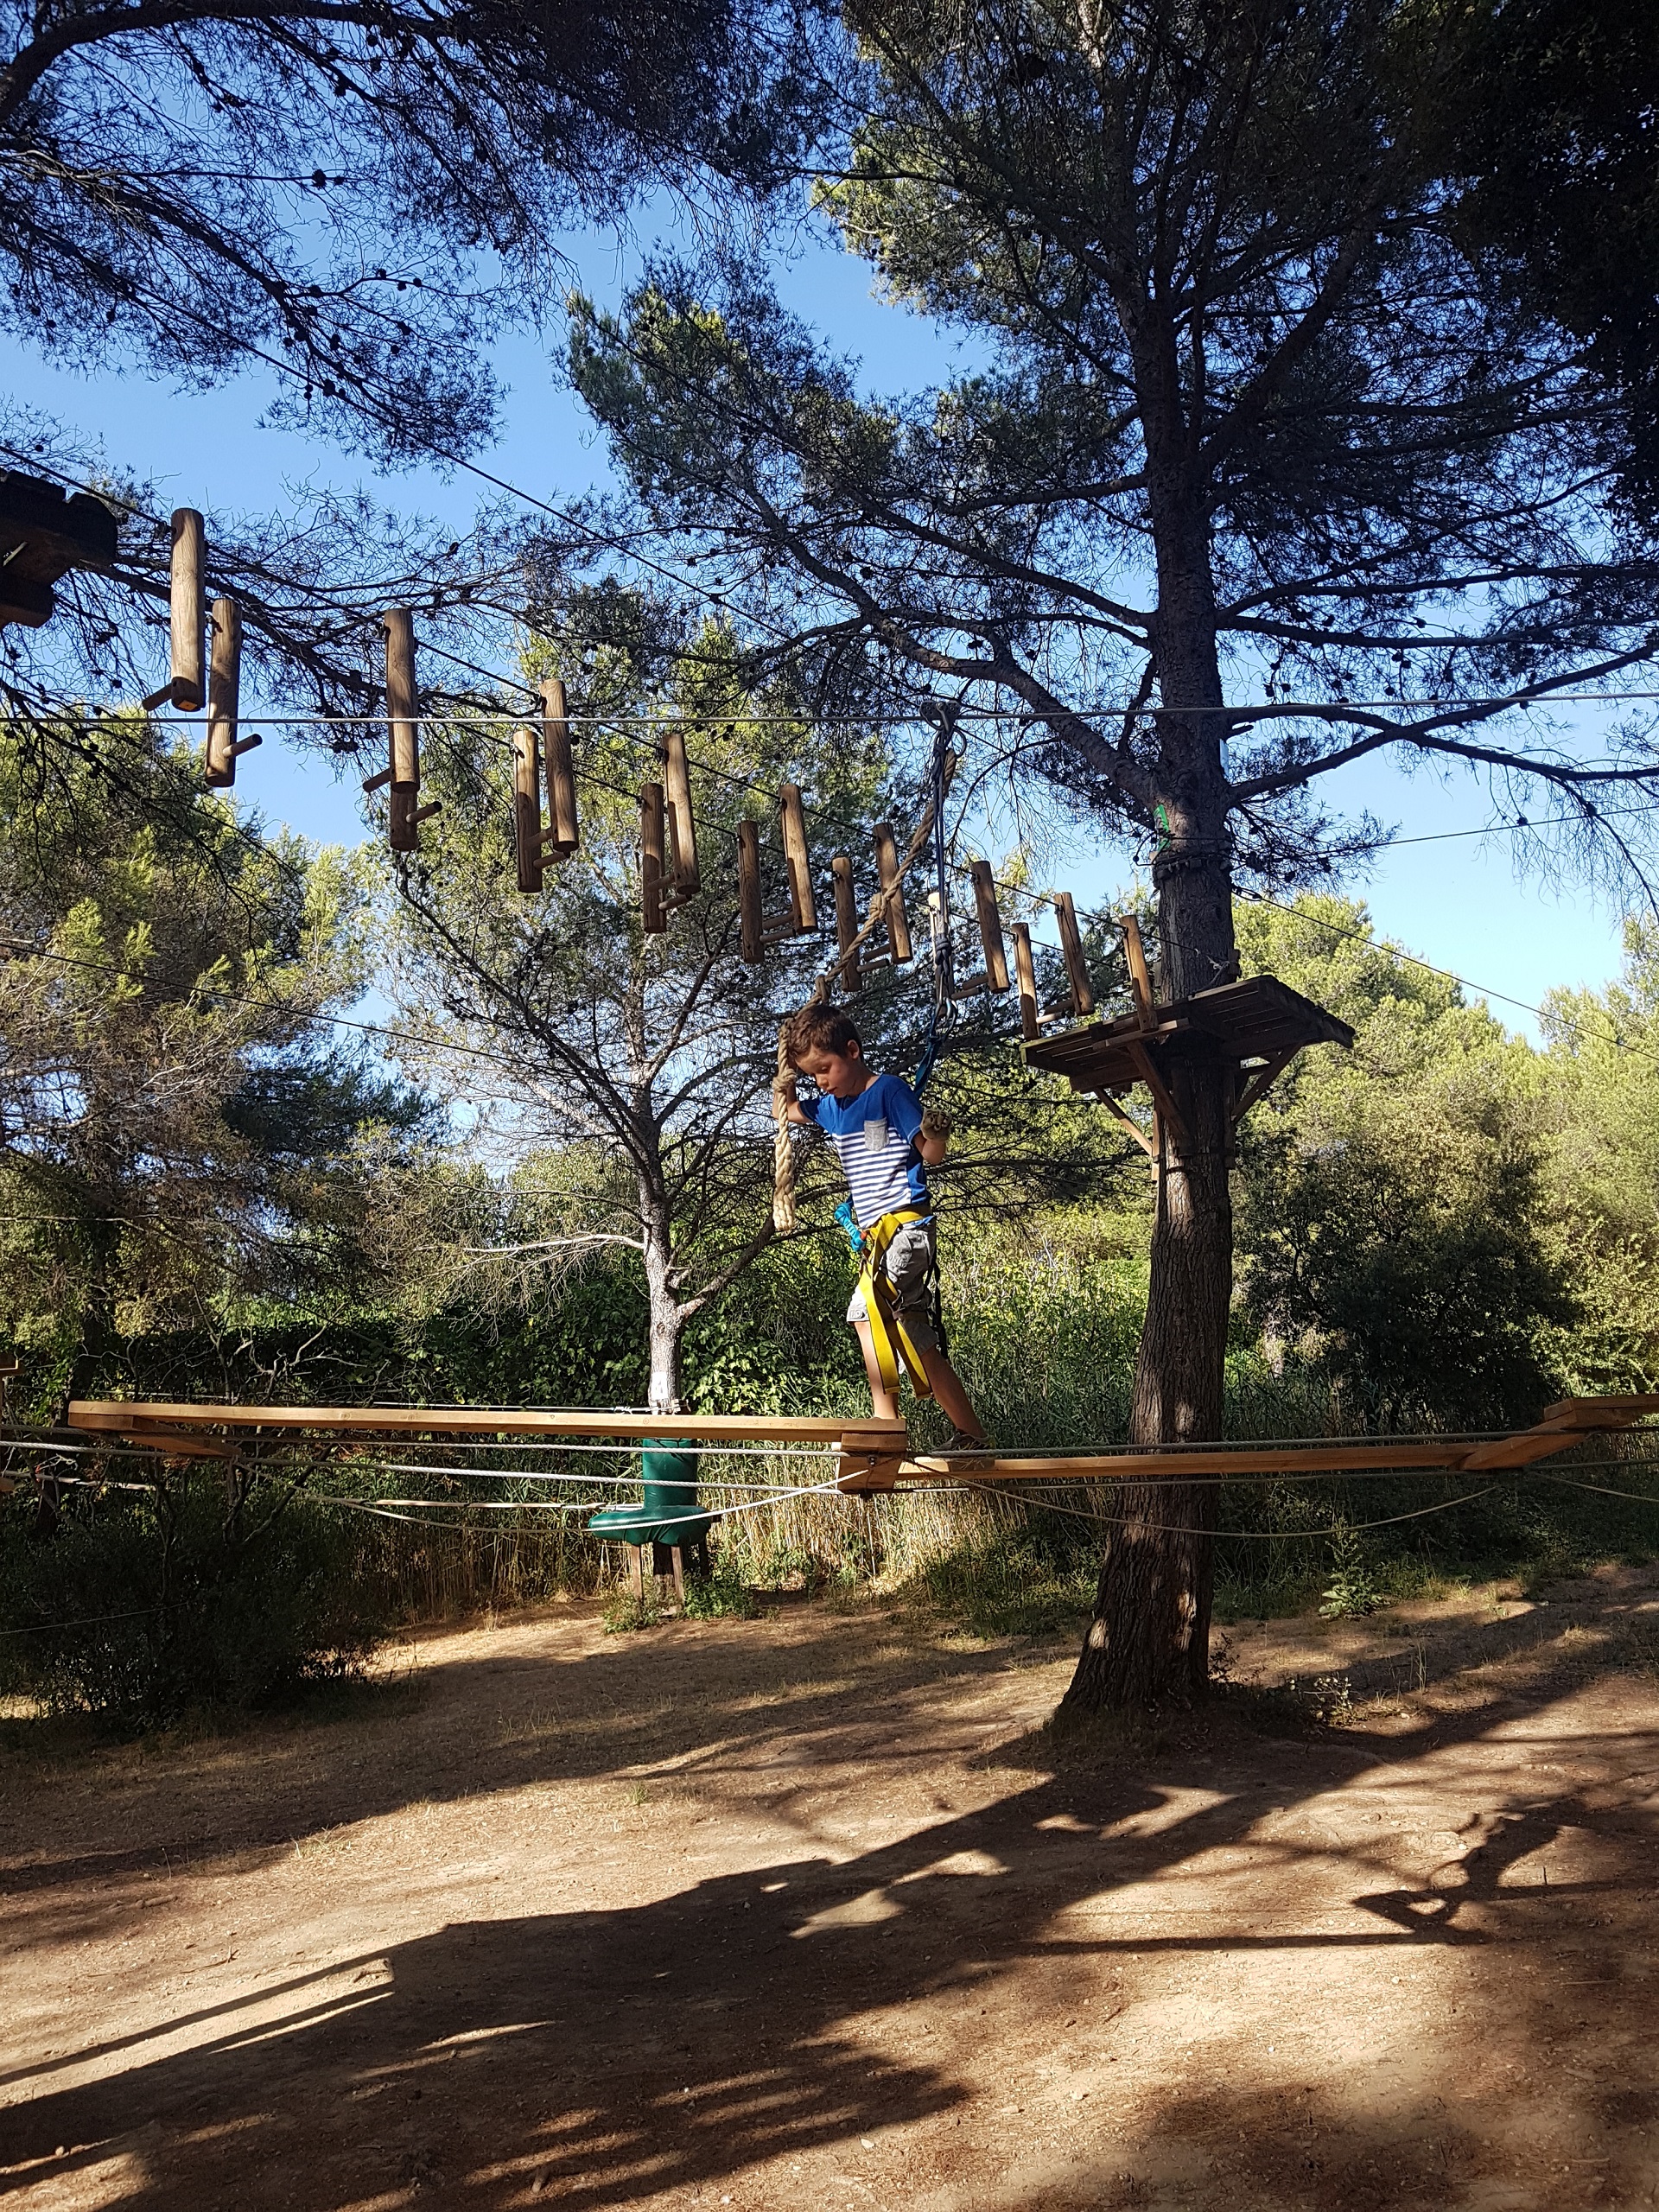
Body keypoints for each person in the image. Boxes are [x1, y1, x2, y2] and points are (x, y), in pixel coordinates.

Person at [776, 1002, 987, 1448]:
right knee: (912, 1334)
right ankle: (971, 1435)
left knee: (863, 1313)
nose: (821, 1081)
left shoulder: (889, 1092)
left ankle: (884, 1424)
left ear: (852, 1051)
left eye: (825, 1069)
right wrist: (787, 1078)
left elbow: (931, 1155)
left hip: (906, 1231)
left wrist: (938, 1130)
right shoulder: (834, 1108)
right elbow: (793, 1110)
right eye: (815, 1074)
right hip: (879, 1240)